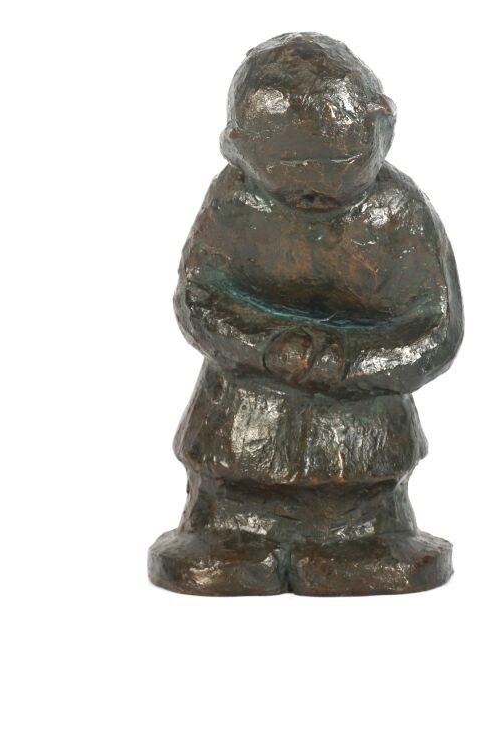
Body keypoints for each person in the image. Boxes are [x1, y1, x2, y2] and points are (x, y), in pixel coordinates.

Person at [149, 32, 463, 595]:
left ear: (382, 127)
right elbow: (198, 299)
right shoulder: (234, 200)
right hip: (243, 414)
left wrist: (352, 363)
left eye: (335, 164)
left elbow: (436, 328)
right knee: (229, 514)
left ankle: (360, 537)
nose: (313, 187)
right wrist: (265, 345)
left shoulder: (397, 211)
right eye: (288, 168)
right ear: (236, 147)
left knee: (358, 517)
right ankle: (228, 529)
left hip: (361, 430)